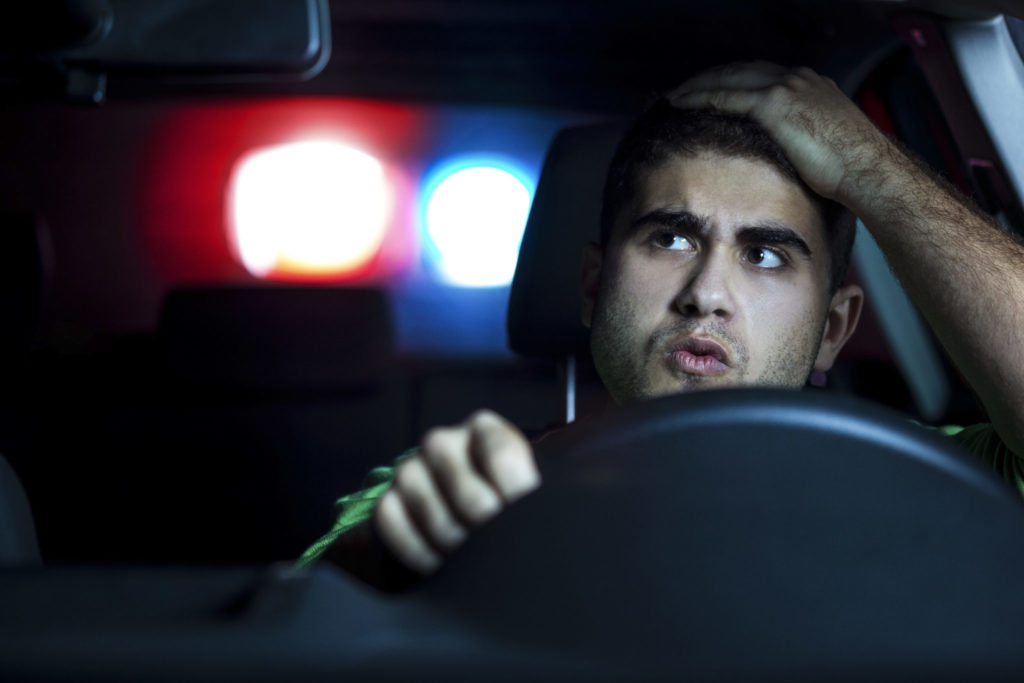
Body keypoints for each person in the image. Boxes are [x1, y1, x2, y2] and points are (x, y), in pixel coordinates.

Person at [297, 61, 1024, 591]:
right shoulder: (474, 484)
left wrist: (867, 165)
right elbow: (313, 611)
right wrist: (408, 548)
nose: (706, 294)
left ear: (833, 329)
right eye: (671, 239)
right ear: (594, 285)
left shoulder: (933, 486)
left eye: (765, 255)